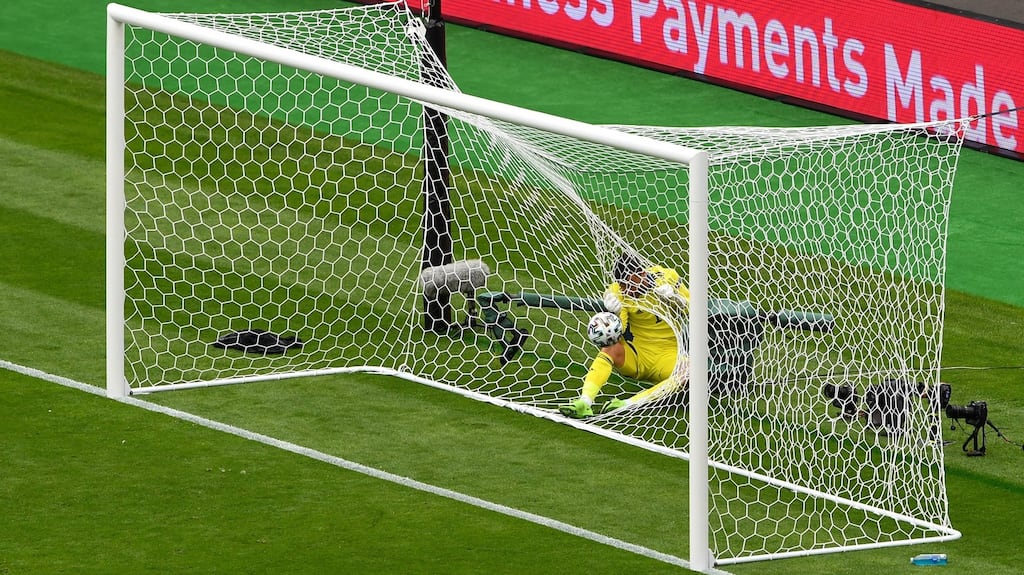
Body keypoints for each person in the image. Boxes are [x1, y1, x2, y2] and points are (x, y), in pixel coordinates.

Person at [560, 252, 691, 419]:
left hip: (669, 355)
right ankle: (584, 402)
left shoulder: (668, 277)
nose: (625, 290)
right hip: (636, 356)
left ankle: (626, 405)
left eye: (629, 284)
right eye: (622, 285)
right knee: (610, 348)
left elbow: (694, 308)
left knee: (689, 373)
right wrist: (613, 313)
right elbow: (617, 333)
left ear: (642, 274)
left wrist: (675, 298)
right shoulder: (617, 291)